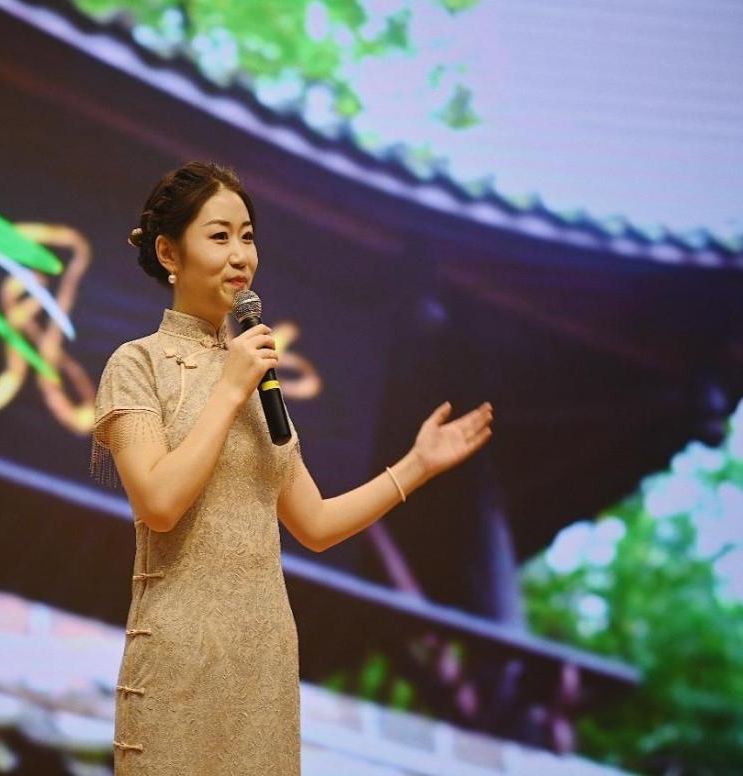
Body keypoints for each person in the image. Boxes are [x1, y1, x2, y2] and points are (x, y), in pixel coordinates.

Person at [90, 160, 494, 775]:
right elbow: (159, 503)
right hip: (178, 655)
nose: (240, 255)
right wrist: (230, 388)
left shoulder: (256, 380)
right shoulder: (137, 364)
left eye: (247, 236)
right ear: (169, 252)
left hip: (264, 660)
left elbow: (316, 524)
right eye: (219, 236)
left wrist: (417, 465)